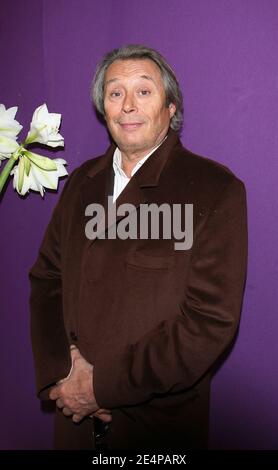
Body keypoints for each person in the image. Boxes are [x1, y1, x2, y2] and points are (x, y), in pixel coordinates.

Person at [29, 44, 248, 451]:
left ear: (171, 108)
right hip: (74, 426)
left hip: (155, 430)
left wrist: (102, 387)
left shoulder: (216, 190)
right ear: (103, 109)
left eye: (144, 91)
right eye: (115, 93)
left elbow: (208, 321)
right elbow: (47, 279)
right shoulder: (80, 184)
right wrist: (64, 371)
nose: (128, 105)